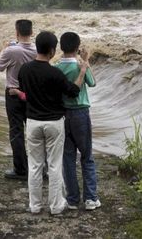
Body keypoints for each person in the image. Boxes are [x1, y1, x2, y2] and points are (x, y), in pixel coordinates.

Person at [18, 31, 88, 215]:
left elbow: (24, 92)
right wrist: (82, 71)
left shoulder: (24, 70)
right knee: (55, 165)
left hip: (32, 122)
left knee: (34, 165)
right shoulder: (55, 73)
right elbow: (73, 91)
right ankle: (56, 206)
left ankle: (35, 205)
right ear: (51, 50)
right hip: (54, 123)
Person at [56, 32, 101, 211]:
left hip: (63, 114)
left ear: (61, 47)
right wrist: (86, 62)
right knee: (87, 156)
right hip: (81, 113)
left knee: (68, 157)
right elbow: (92, 83)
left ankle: (73, 199)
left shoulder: (56, 67)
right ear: (77, 47)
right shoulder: (80, 66)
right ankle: (90, 198)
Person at [0, 19, 36, 180]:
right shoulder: (37, 50)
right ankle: (41, 167)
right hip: (33, 94)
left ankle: (21, 169)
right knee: (35, 131)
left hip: (13, 93)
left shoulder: (11, 51)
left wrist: (4, 48)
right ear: (32, 32)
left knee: (16, 131)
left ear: (16, 32)